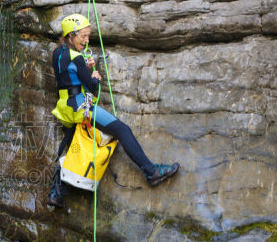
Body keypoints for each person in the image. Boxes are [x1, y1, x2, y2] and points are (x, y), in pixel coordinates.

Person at [47, 13, 179, 208]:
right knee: (122, 130)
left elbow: (69, 71)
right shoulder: (77, 59)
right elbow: (91, 85)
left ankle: (56, 193)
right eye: (82, 36)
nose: (86, 40)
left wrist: (84, 65)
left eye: (88, 35)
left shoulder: (58, 53)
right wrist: (95, 75)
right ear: (70, 35)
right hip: (81, 107)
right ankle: (152, 172)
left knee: (71, 146)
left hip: (64, 108)